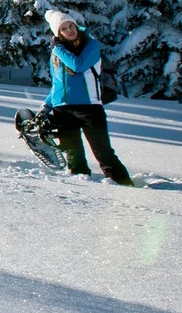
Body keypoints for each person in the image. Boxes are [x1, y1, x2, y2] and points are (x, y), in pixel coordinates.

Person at [42, 10, 133, 186]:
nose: (69, 30)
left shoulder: (90, 45)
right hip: (62, 108)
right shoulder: (57, 54)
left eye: (71, 26)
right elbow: (57, 84)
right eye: (63, 29)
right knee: (73, 153)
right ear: (57, 34)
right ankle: (83, 187)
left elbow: (79, 65)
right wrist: (46, 106)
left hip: (89, 107)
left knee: (103, 152)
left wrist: (57, 48)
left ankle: (124, 184)